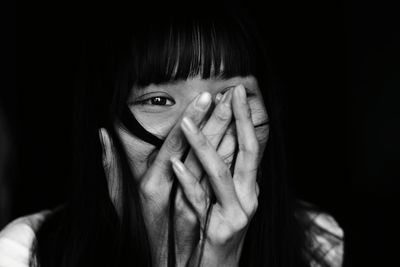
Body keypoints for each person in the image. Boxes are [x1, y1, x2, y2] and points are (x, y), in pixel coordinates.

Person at [0, 3, 344, 267]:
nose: (202, 134)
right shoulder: (23, 253)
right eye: (159, 100)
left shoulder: (317, 244)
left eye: (231, 97)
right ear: (103, 134)